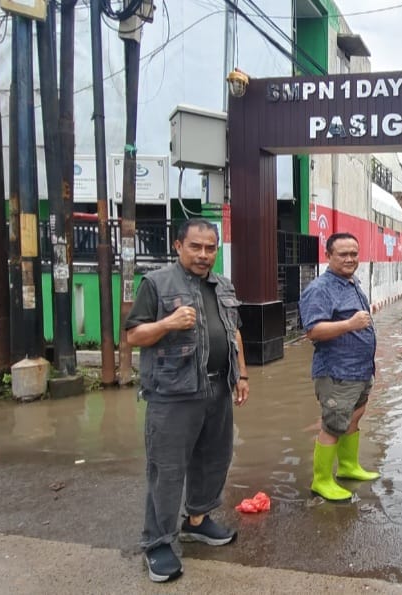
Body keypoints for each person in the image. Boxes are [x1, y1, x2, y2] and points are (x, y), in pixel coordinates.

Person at [125, 218, 250, 582]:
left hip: (217, 389)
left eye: (210, 248)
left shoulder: (222, 285)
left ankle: (197, 520)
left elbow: (234, 331)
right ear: (178, 246)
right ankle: (158, 543)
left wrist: (242, 374)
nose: (203, 254)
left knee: (215, 459)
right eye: (195, 246)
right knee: (167, 471)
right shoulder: (156, 284)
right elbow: (134, 335)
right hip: (173, 394)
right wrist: (168, 324)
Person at [299, 232, 381, 503]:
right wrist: (349, 325)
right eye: (343, 254)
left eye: (354, 254)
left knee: (354, 417)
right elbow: (313, 330)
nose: (349, 259)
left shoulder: (352, 283)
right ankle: (321, 481)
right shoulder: (320, 288)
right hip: (337, 372)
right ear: (328, 255)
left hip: (360, 370)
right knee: (333, 424)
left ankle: (348, 467)